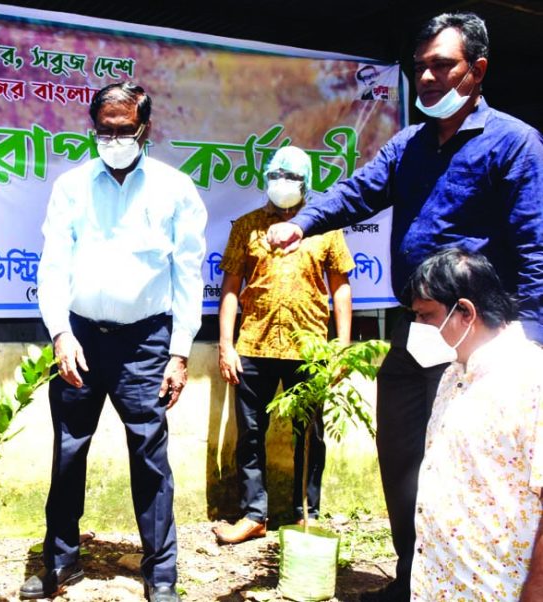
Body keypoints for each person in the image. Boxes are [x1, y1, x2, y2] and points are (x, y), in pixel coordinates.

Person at [266, 12, 543, 601]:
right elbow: (358, 190)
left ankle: (478, 581)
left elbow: (535, 248)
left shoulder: (514, 143)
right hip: (418, 331)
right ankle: (413, 575)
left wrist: (531, 353)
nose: (428, 78)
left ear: (478, 69)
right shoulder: (410, 144)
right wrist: (304, 223)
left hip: (479, 340)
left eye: (443, 65)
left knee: (469, 472)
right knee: (403, 459)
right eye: (421, 67)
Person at [23, 82, 207, 602]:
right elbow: (53, 266)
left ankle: (161, 574)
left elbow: (187, 277)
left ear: (144, 130)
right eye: (104, 130)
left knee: (150, 456)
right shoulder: (73, 187)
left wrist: (178, 352)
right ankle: (60, 563)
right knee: (67, 451)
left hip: (146, 343)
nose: (113, 139)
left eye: (123, 130)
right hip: (78, 337)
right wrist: (59, 333)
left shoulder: (175, 189)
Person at [212, 146, 354, 545]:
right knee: (250, 434)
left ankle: (304, 515)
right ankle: (254, 514)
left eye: (291, 177)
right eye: (277, 175)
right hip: (253, 345)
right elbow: (230, 287)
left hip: (308, 348)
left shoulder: (325, 227)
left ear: (306, 182)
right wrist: (226, 345)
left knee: (308, 435)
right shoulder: (247, 226)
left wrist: (339, 348)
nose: (283, 183)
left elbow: (341, 290)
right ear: (266, 179)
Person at [403, 247, 543, 600]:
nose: (417, 329)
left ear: (465, 311)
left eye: (426, 316)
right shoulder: (453, 375)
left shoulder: (531, 379)